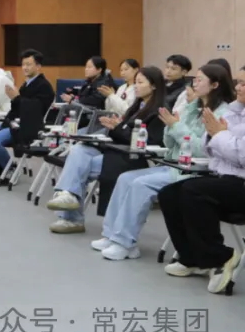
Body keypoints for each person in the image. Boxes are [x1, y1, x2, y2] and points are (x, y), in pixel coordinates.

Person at [92, 63, 235, 261]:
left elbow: (201, 149)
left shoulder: (222, 113)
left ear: (215, 85)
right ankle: (110, 235)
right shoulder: (192, 107)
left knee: (140, 184)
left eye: (200, 79)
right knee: (125, 178)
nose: (194, 83)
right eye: (195, 78)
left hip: (195, 170)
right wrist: (170, 127)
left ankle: (124, 242)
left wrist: (176, 127)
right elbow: (170, 143)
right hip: (174, 164)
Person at [46, 66, 167, 234]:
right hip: (115, 148)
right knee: (79, 150)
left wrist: (118, 128)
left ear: (153, 85)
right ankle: (67, 195)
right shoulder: (137, 106)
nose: (136, 86)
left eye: (140, 82)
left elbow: (148, 140)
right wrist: (114, 126)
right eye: (135, 82)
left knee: (82, 166)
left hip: (131, 157)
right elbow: (124, 131)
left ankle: (71, 217)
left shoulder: (159, 110)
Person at [158, 64, 245, 293]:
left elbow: (241, 155)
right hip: (225, 178)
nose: (238, 87)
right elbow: (208, 148)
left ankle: (220, 257)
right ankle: (191, 258)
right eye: (238, 82)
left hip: (241, 184)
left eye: (244, 84)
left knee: (194, 191)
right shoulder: (232, 112)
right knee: (169, 194)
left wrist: (220, 135)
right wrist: (220, 138)